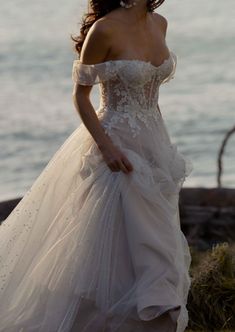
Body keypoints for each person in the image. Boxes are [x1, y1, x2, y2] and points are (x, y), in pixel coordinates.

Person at [0, 0, 194, 331]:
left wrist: (161, 146)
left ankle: (154, 317)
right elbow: (80, 97)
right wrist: (108, 149)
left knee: (157, 245)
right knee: (115, 249)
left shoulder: (159, 23)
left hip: (154, 143)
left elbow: (151, 97)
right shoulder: (103, 29)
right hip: (115, 146)